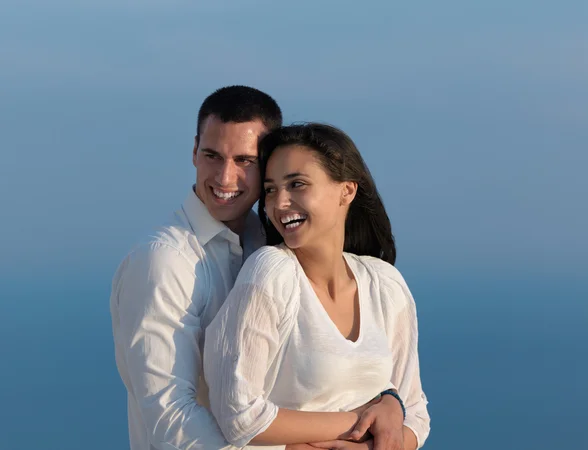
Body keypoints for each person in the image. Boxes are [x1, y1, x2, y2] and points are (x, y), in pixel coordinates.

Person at [204, 124, 431, 450]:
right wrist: (360, 420)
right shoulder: (272, 272)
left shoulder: (385, 285)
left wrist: (368, 445)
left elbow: (416, 415)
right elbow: (239, 415)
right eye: (270, 190)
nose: (280, 203)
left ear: (347, 191)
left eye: (297, 184)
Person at [109, 85, 283, 450]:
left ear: (270, 163)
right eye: (212, 156)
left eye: (244, 161)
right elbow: (170, 419)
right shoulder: (164, 260)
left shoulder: (272, 248)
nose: (224, 178)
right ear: (193, 151)